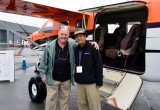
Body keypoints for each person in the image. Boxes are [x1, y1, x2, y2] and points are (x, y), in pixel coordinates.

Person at [38, 27, 99, 110]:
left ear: (68, 36)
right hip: (52, 79)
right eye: (62, 34)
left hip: (66, 80)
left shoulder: (72, 44)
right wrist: (43, 75)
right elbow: (44, 62)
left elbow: (82, 42)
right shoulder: (50, 46)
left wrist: (92, 43)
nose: (64, 36)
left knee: (64, 101)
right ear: (58, 35)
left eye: (66, 35)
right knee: (50, 101)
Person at [73, 28, 103, 110]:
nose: (79, 38)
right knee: (82, 105)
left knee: (94, 106)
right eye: (77, 37)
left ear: (85, 36)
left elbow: (99, 65)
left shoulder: (93, 48)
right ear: (75, 39)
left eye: (81, 36)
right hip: (79, 83)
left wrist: (99, 81)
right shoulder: (76, 49)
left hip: (91, 83)